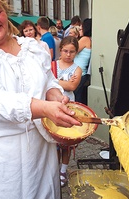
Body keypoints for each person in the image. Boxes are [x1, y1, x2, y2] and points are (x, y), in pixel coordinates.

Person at [0, 0, 81, 198]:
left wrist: (55, 95)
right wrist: (44, 109)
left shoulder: (33, 48)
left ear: (6, 12)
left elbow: (48, 79)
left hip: (40, 153)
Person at [56, 36, 82, 187]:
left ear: (76, 53)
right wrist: (65, 82)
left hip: (69, 107)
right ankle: (53, 168)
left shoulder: (77, 69)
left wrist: (55, 80)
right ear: (60, 50)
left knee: (66, 142)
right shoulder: (53, 65)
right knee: (54, 142)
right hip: (53, 105)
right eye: (65, 51)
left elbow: (72, 87)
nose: (68, 54)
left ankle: (63, 170)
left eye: (72, 52)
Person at [74, 18, 92, 105]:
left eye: (81, 28)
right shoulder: (90, 39)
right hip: (83, 73)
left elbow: (72, 50)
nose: (79, 30)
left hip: (79, 73)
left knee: (76, 99)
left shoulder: (85, 39)